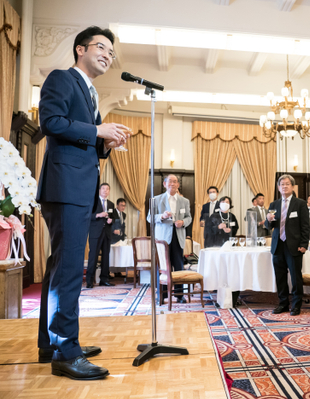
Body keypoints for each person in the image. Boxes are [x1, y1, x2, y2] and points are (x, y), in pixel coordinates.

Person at [36, 26, 128, 379]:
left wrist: (107, 142)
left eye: (111, 52)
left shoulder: (91, 94)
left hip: (77, 189)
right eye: (101, 47)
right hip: (65, 188)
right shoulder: (62, 78)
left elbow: (86, 142)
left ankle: (52, 343)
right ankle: (66, 351)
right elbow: (52, 122)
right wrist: (97, 131)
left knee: (62, 267)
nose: (107, 54)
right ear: (80, 49)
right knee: (71, 270)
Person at [265, 175, 310, 316]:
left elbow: (305, 226)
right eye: (282, 184)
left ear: (292, 187)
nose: (284, 186)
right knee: (280, 277)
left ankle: (296, 305)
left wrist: (304, 244)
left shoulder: (300, 204)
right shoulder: (274, 204)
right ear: (278, 188)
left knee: (296, 277)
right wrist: (268, 220)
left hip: (295, 246)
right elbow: (269, 226)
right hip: (278, 245)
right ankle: (283, 304)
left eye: (287, 184)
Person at [147, 175, 193, 304]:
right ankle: (161, 295)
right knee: (163, 266)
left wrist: (183, 222)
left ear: (178, 185)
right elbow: (149, 218)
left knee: (178, 265)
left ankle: (179, 295)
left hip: (178, 236)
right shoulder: (156, 200)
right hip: (163, 238)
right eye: (170, 181)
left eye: (175, 182)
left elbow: (189, 218)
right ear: (164, 184)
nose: (172, 184)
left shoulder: (185, 201)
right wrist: (161, 216)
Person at [86, 183, 115, 288]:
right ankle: (89, 281)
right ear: (99, 190)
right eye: (103, 189)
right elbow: (87, 215)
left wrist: (111, 221)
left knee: (106, 257)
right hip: (95, 233)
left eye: (107, 189)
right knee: (93, 256)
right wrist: (98, 215)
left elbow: (114, 218)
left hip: (107, 233)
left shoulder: (111, 204)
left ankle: (104, 279)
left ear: (109, 191)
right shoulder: (93, 202)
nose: (105, 191)